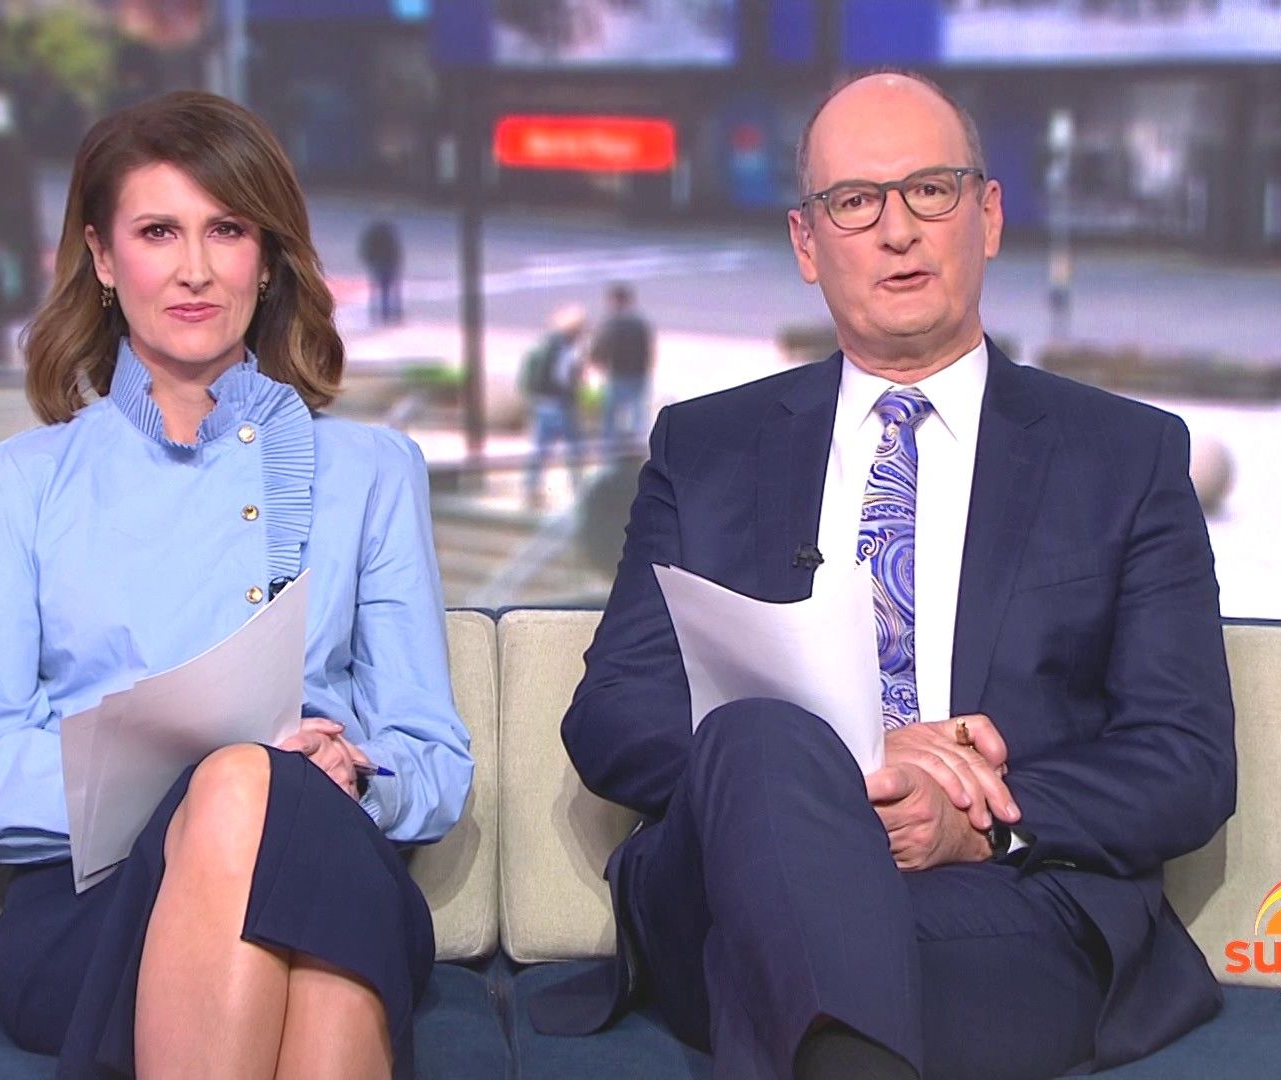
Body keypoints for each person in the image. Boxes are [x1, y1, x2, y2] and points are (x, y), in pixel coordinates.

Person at [532, 71, 1236, 1080]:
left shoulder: (1123, 457)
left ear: (988, 215)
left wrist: (977, 820)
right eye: (857, 201)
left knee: (813, 981)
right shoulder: (709, 448)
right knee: (764, 731)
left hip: (1000, 899)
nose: (898, 231)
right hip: (731, 880)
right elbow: (615, 714)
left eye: (931, 191)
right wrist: (837, 769)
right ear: (806, 243)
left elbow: (1186, 758)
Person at [0, 91, 472, 1080]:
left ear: (266, 259)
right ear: (102, 257)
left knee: (283, 811)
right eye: (157, 232)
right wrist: (204, 780)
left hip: (334, 859)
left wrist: (356, 775)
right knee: (245, 788)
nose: (194, 268)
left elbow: (433, 760)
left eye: (226, 230)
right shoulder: (11, 489)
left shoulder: (372, 472)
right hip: (98, 908)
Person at [520, 302, 588, 509]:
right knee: (574, 449)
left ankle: (531, 488)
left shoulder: (547, 344)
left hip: (545, 403)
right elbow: (563, 377)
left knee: (542, 449)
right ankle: (578, 489)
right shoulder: (565, 349)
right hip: (560, 403)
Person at [589, 282, 653, 446]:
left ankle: (610, 449)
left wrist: (596, 361)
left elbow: (599, 348)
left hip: (618, 374)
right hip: (639, 373)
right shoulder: (640, 323)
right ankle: (637, 447)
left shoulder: (611, 323)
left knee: (611, 416)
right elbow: (648, 349)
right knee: (637, 414)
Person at [358, 218, 403, 325]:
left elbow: (367, 249)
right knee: (388, 290)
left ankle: (380, 313)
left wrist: (370, 260)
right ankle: (390, 314)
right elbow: (395, 251)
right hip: (387, 264)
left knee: (380, 291)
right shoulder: (390, 236)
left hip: (379, 264)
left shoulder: (374, 236)